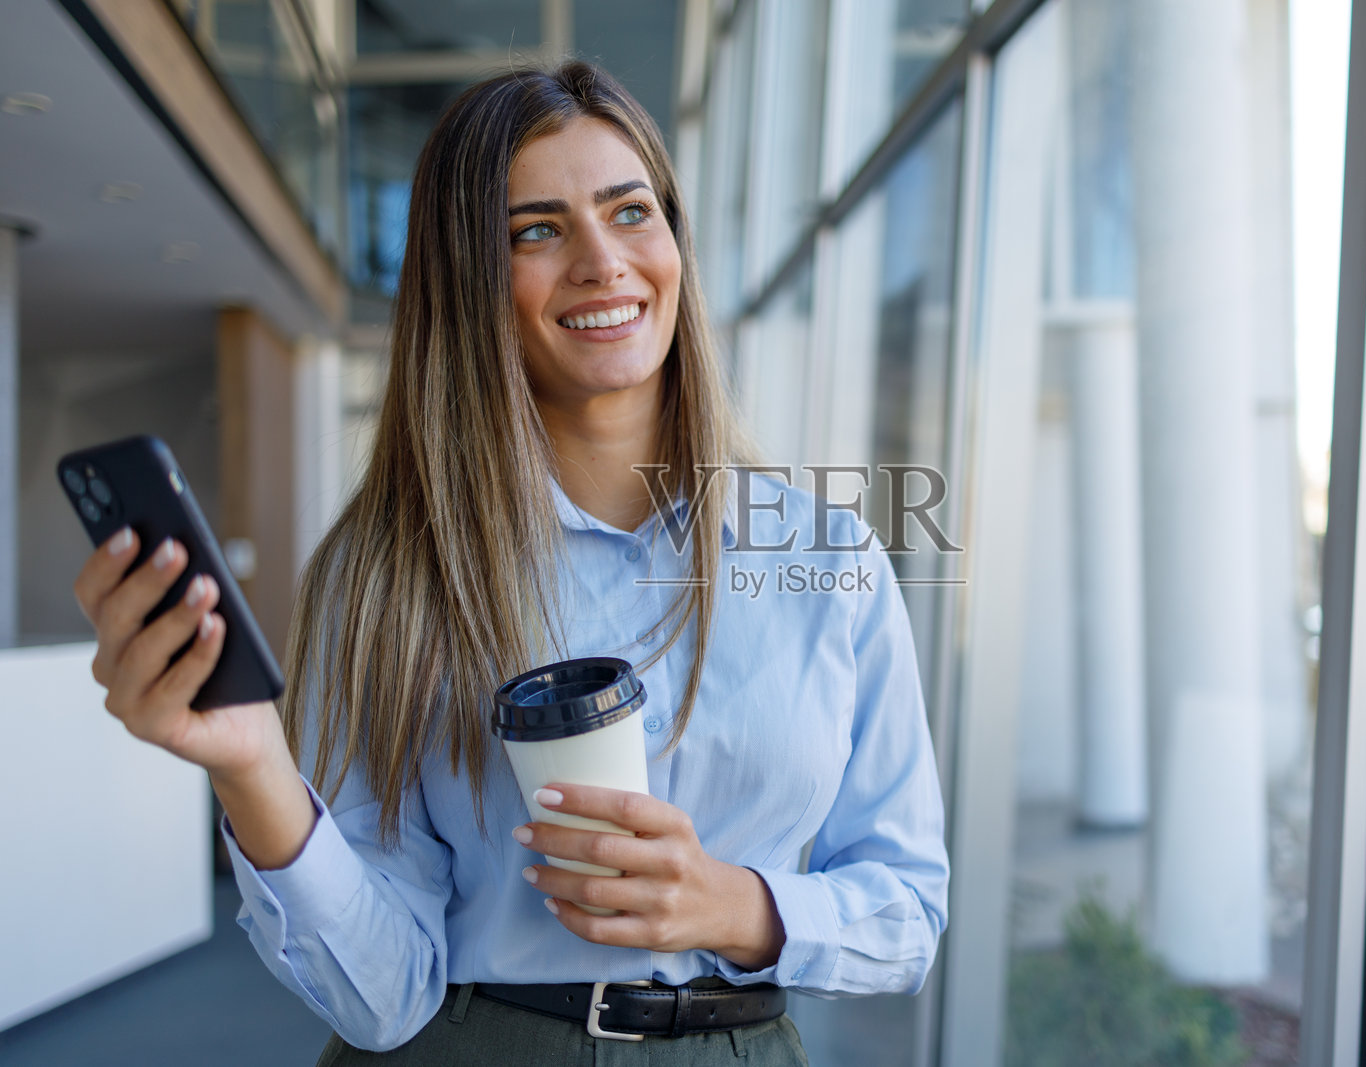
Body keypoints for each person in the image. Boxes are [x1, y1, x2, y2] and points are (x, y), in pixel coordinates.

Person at [71, 62, 948, 1063]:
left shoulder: (829, 558)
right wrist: (250, 765)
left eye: (629, 211)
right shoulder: (387, 569)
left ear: (673, 242)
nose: (602, 262)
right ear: (470, 281)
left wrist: (733, 903)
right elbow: (383, 994)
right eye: (536, 231)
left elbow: (908, 911)